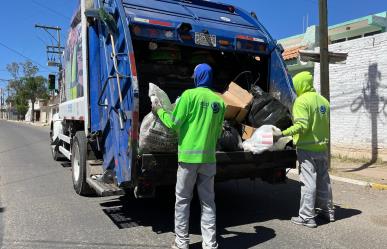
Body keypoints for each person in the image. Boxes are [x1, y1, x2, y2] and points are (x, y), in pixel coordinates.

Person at [152, 63, 225, 249]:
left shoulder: (188, 96)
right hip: (209, 159)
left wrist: (159, 110)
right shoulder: (220, 101)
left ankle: (182, 243)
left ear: (197, 77)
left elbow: (174, 123)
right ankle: (210, 244)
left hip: (188, 160)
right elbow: (218, 133)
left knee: (183, 200)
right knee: (208, 202)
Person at [278, 71, 334, 228]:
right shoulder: (324, 101)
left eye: (296, 85)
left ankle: (307, 216)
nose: (295, 89)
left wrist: (282, 134)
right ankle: (328, 211)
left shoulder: (302, 101)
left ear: (301, 85)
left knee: (308, 182)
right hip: (322, 147)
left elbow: (302, 126)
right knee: (324, 181)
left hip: (307, 148)